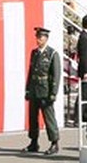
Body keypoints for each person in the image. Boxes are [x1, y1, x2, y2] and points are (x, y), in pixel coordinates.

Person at [24, 26, 61, 155]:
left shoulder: (52, 54)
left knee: (49, 118)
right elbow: (31, 72)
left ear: (46, 38)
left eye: (40, 37)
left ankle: (54, 143)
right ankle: (34, 142)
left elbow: (56, 74)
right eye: (37, 37)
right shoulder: (34, 53)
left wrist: (53, 93)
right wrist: (27, 89)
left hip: (45, 90)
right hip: (34, 89)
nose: (38, 40)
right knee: (33, 117)